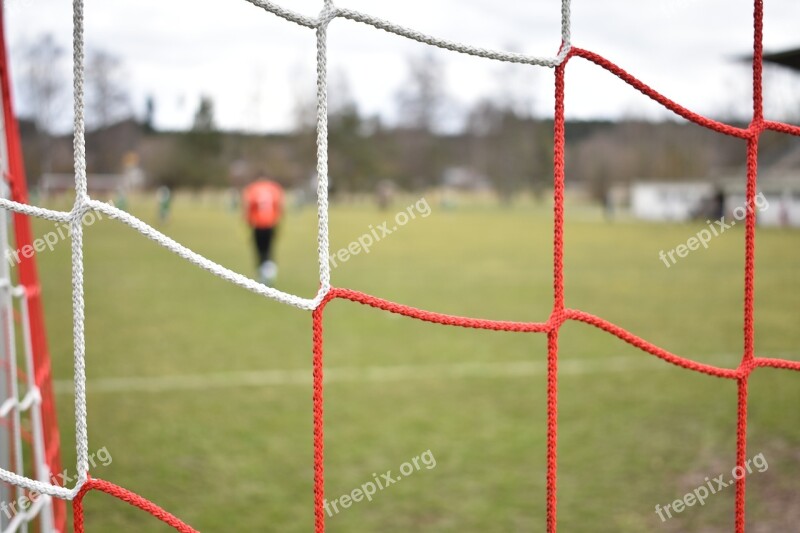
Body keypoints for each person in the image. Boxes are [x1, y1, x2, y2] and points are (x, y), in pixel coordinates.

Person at [242, 178, 284, 286]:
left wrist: (249, 222)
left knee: (260, 251)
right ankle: (268, 273)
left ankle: (263, 275)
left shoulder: (253, 189)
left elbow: (248, 207)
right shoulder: (274, 188)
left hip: (258, 224)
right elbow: (279, 207)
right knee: (269, 250)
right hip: (271, 224)